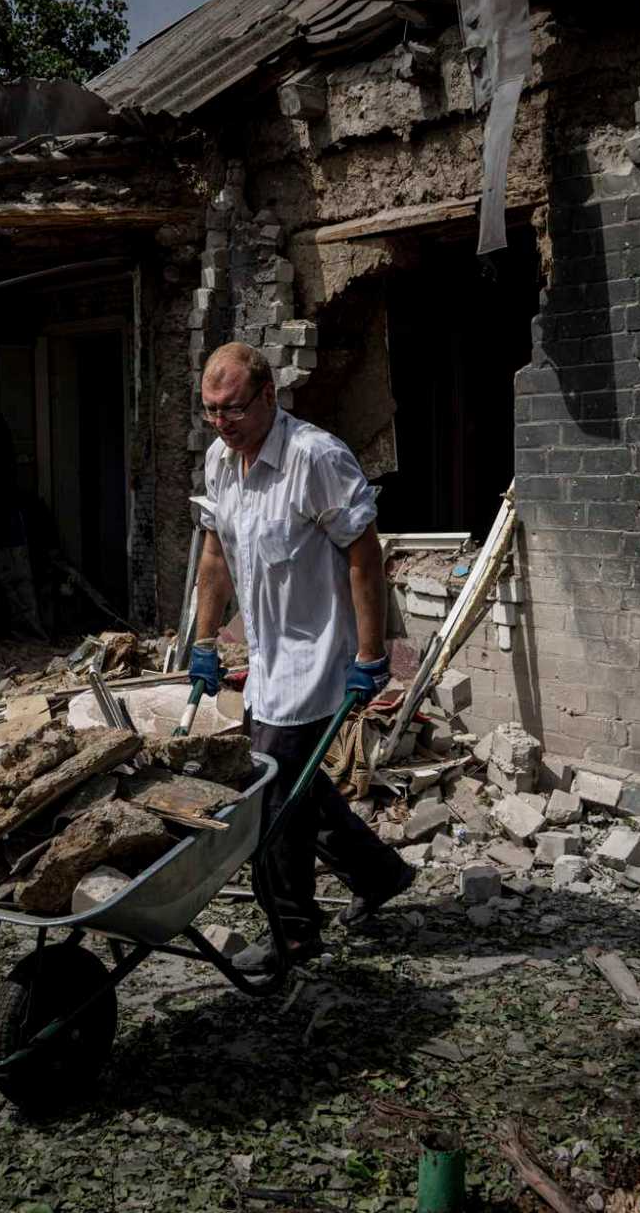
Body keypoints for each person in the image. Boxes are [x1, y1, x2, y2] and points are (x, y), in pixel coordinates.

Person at [188, 342, 415, 973]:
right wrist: (204, 641)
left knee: (271, 797)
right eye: (210, 411)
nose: (220, 423)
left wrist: (371, 656)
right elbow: (215, 553)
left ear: (268, 396)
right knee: (296, 785)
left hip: (316, 659)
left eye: (231, 409)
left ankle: (294, 934)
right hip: (265, 655)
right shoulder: (220, 460)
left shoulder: (315, 457)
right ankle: (380, 874)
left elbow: (364, 556)